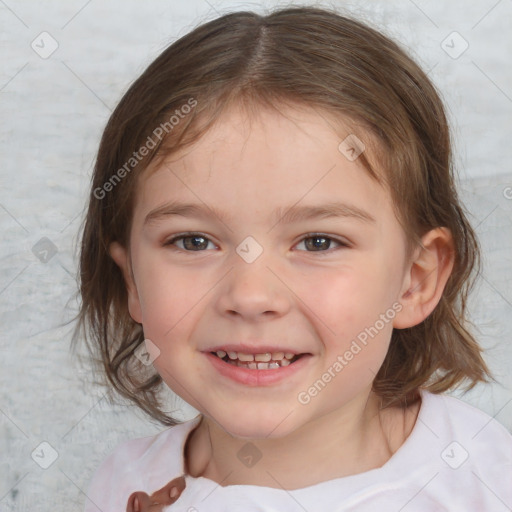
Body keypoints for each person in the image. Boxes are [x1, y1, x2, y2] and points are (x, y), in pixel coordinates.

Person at [74, 5, 512, 511]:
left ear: (415, 280)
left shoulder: (482, 477)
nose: (251, 297)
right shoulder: (124, 486)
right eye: (193, 242)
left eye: (318, 242)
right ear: (132, 280)